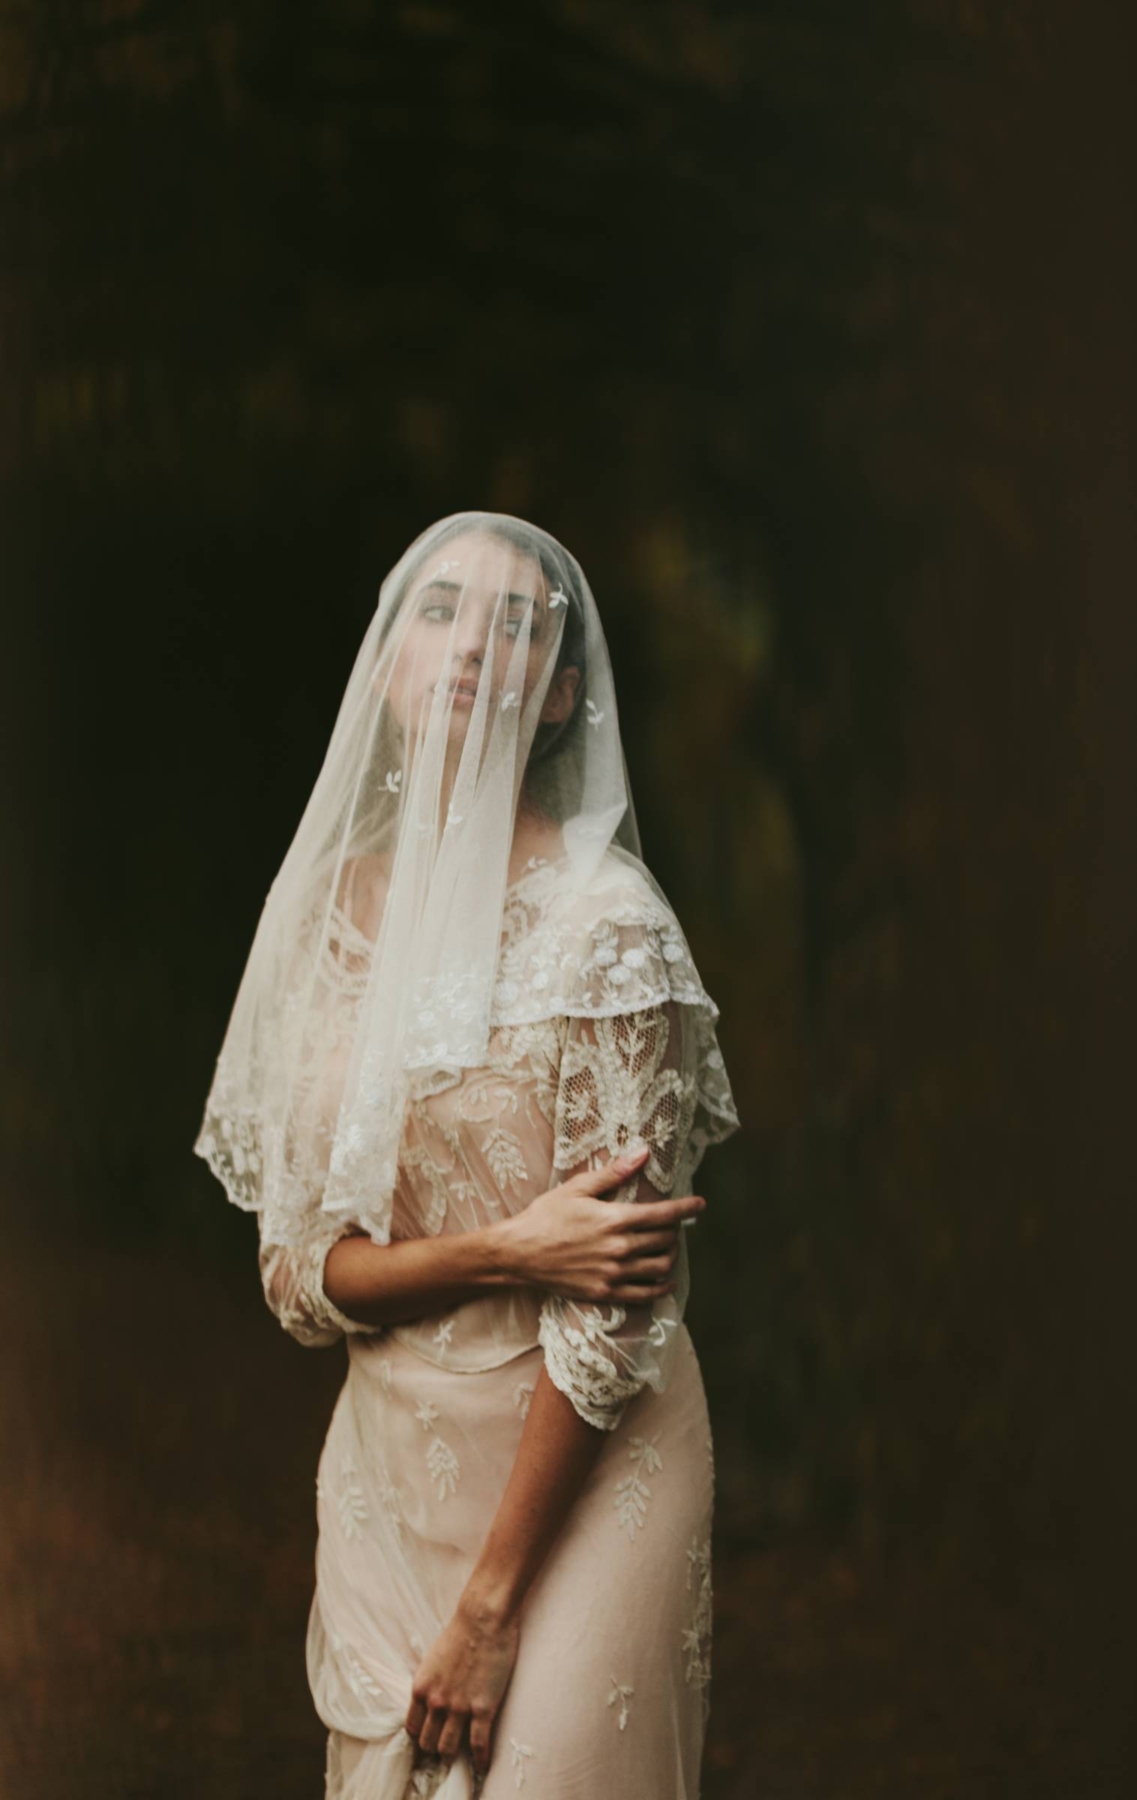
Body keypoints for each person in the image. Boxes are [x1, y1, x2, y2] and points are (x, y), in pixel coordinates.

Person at [194, 511, 740, 1799]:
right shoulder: (329, 923)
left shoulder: (609, 931)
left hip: (590, 1465)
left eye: (515, 622)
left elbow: (615, 1312)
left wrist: (497, 1606)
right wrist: (505, 1247)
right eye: (438, 610)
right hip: (390, 1472)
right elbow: (296, 1279)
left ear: (558, 695)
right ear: (389, 661)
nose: (468, 644)